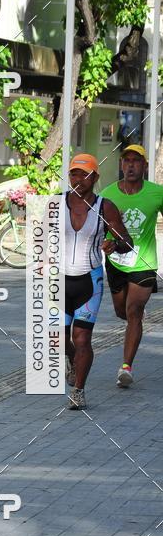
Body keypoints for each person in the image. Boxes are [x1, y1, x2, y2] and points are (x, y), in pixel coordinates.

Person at [64, 154, 132, 410]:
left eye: (84, 175)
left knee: (82, 339)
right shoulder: (56, 204)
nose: (78, 180)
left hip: (89, 280)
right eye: (73, 174)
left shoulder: (106, 207)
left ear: (95, 177)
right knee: (58, 338)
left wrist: (114, 244)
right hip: (59, 281)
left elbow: (127, 242)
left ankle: (79, 391)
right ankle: (71, 360)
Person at [100, 144, 163, 387]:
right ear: (121, 165)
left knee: (133, 310)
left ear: (145, 166)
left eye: (136, 161)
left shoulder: (156, 193)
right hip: (115, 262)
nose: (131, 165)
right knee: (122, 311)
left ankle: (126, 367)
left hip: (143, 262)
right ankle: (134, 318)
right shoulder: (107, 194)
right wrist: (104, 242)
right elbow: (98, 227)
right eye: (126, 161)